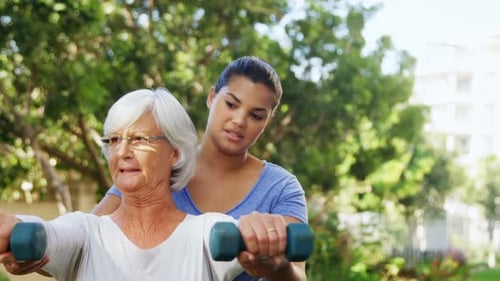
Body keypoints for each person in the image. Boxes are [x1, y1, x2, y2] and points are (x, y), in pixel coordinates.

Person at [5, 56, 309, 280]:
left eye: (256, 114)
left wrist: (276, 266)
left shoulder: (279, 188)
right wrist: (29, 244)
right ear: (212, 97)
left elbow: (295, 271)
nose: (239, 120)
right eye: (231, 104)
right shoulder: (139, 174)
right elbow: (78, 243)